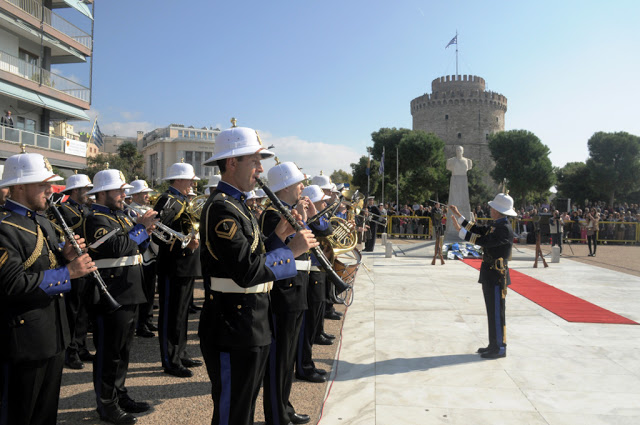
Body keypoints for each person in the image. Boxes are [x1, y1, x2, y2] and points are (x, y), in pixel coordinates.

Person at [199, 121, 318, 425]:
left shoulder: (238, 206)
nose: (260, 170)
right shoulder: (221, 209)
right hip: (232, 324)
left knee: (245, 409)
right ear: (231, 162)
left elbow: (255, 253)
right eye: (254, 162)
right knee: (232, 412)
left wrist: (278, 237)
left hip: (250, 322)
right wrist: (291, 252)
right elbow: (246, 271)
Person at [0, 152, 96, 425]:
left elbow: (44, 264)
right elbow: (12, 284)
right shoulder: (5, 227)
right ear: (19, 186)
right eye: (42, 184)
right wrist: (67, 272)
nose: (49, 190)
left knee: (45, 414)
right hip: (24, 339)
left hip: (54, 333)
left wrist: (66, 256)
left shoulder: (42, 221)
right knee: (20, 414)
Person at [84, 169, 158, 424]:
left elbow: (137, 246)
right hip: (112, 292)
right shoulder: (94, 217)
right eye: (118, 191)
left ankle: (119, 393)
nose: (123, 195)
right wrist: (140, 228)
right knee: (109, 351)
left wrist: (145, 233)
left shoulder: (121, 216)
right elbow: (115, 247)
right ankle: (106, 404)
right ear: (102, 193)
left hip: (129, 289)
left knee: (124, 349)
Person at [260, 162, 315, 425]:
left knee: (288, 356)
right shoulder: (272, 215)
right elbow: (275, 254)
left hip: (296, 289)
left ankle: (285, 406)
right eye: (299, 183)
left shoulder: (285, 211)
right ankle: (276, 414)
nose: (303, 187)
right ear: (285, 187)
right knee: (278, 359)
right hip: (282, 293)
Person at [449, 192, 516, 359]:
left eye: (493, 207)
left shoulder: (504, 229)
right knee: (491, 312)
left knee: (496, 312)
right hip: (490, 273)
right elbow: (479, 229)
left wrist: (461, 232)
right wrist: (459, 216)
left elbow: (486, 241)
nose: (490, 209)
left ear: (498, 210)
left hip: (496, 275)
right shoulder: (497, 225)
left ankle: (500, 347)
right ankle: (493, 344)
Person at [153, 160, 202, 378]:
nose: (192, 183)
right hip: (173, 264)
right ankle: (169, 360)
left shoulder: (182, 199)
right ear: (180, 179)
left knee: (181, 313)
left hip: (186, 264)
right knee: (171, 314)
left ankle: (180, 353)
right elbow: (157, 231)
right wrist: (184, 243)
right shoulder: (168, 199)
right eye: (190, 179)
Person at [49, 172, 95, 370]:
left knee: (84, 308)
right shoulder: (63, 209)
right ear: (76, 190)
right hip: (72, 263)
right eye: (86, 190)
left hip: (86, 261)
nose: (89, 194)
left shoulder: (85, 208)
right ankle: (71, 350)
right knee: (73, 309)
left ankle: (81, 345)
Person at [295, 184, 333, 387]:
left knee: (312, 320)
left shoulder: (314, 214)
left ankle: (306, 362)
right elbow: (322, 228)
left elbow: (327, 228)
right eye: (320, 201)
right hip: (307, 271)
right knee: (306, 324)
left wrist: (315, 212)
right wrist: (312, 214)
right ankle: (303, 366)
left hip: (313, 270)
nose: (325, 203)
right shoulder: (305, 215)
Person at [127, 179, 157, 338]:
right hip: (141, 254)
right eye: (144, 193)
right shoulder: (131, 211)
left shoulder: (149, 209)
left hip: (151, 254)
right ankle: (141, 324)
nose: (147, 195)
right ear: (135, 195)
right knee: (143, 290)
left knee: (150, 289)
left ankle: (148, 318)